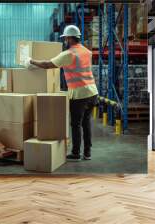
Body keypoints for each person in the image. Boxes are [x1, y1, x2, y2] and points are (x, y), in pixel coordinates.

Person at [25, 25, 98, 161]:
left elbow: (48, 64)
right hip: (93, 92)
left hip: (79, 94)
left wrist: (31, 61)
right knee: (86, 123)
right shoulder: (87, 51)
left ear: (70, 38)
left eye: (65, 38)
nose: (65, 41)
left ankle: (76, 153)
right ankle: (87, 153)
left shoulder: (68, 54)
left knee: (76, 124)